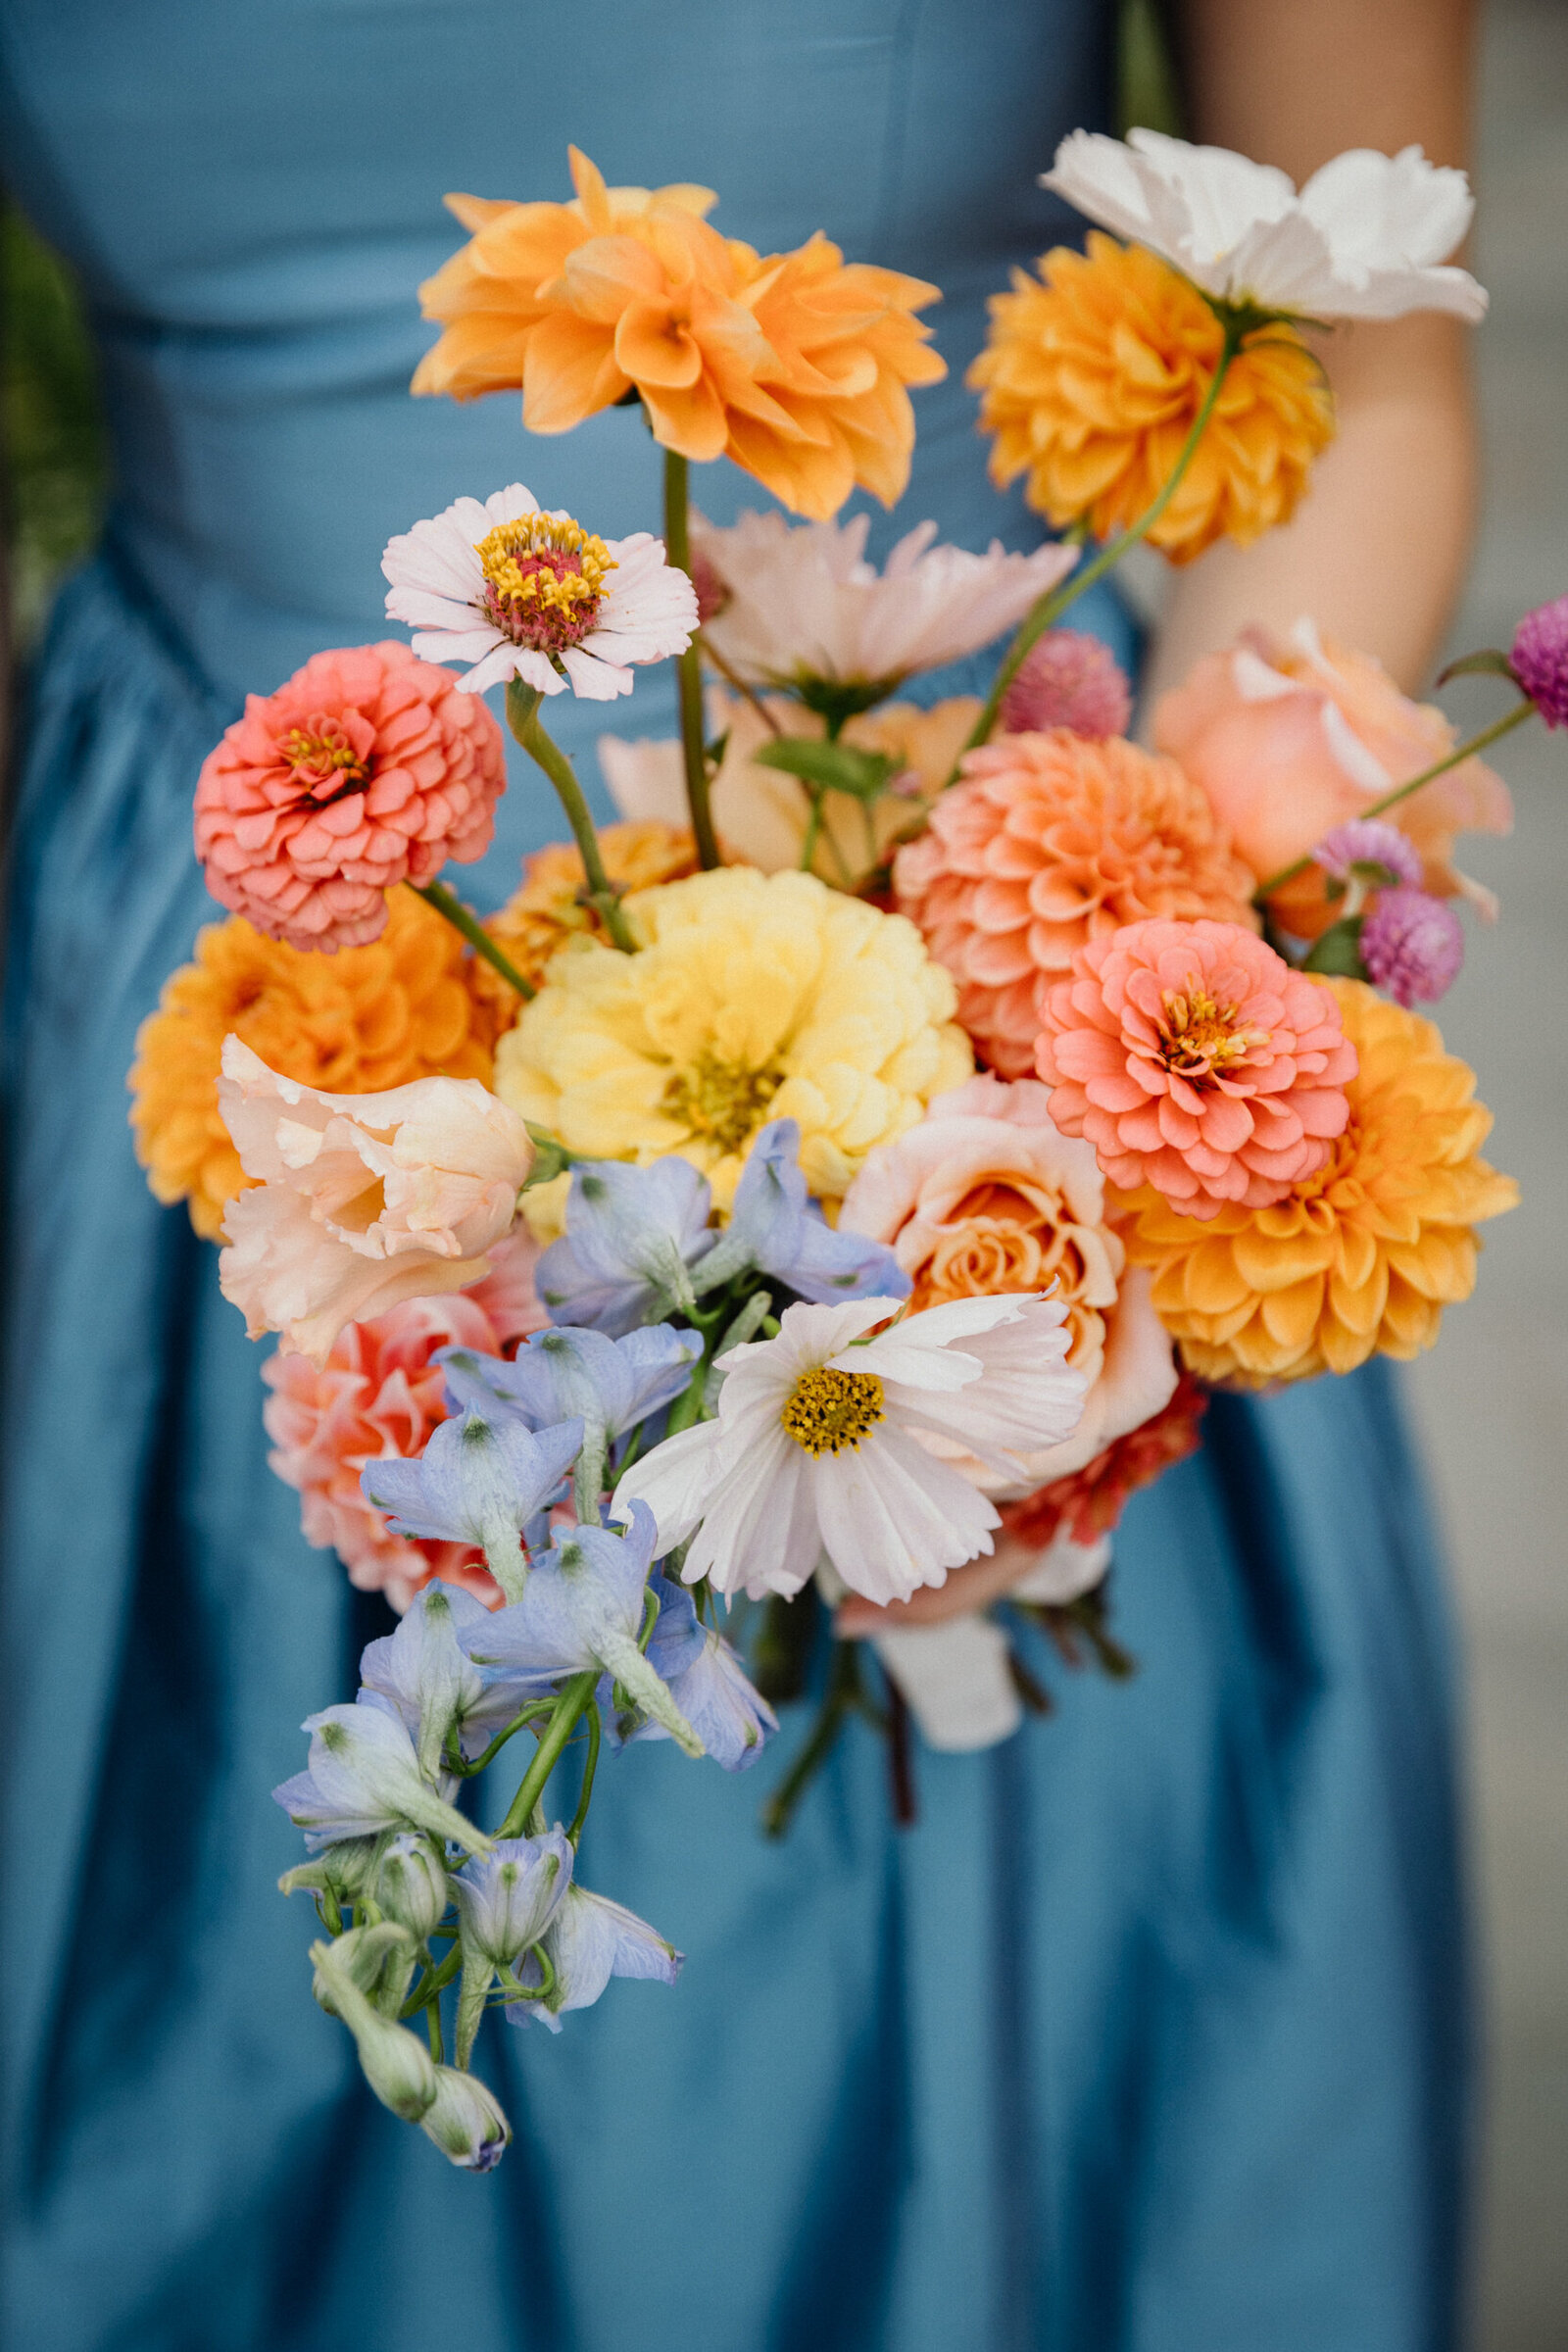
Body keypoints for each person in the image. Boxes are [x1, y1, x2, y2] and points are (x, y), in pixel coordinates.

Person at [0, 2, 1481, 2345]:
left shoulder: (1023, 1017)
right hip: (220, 993)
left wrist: (1123, 991)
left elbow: (1362, 359)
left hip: (958, 902)